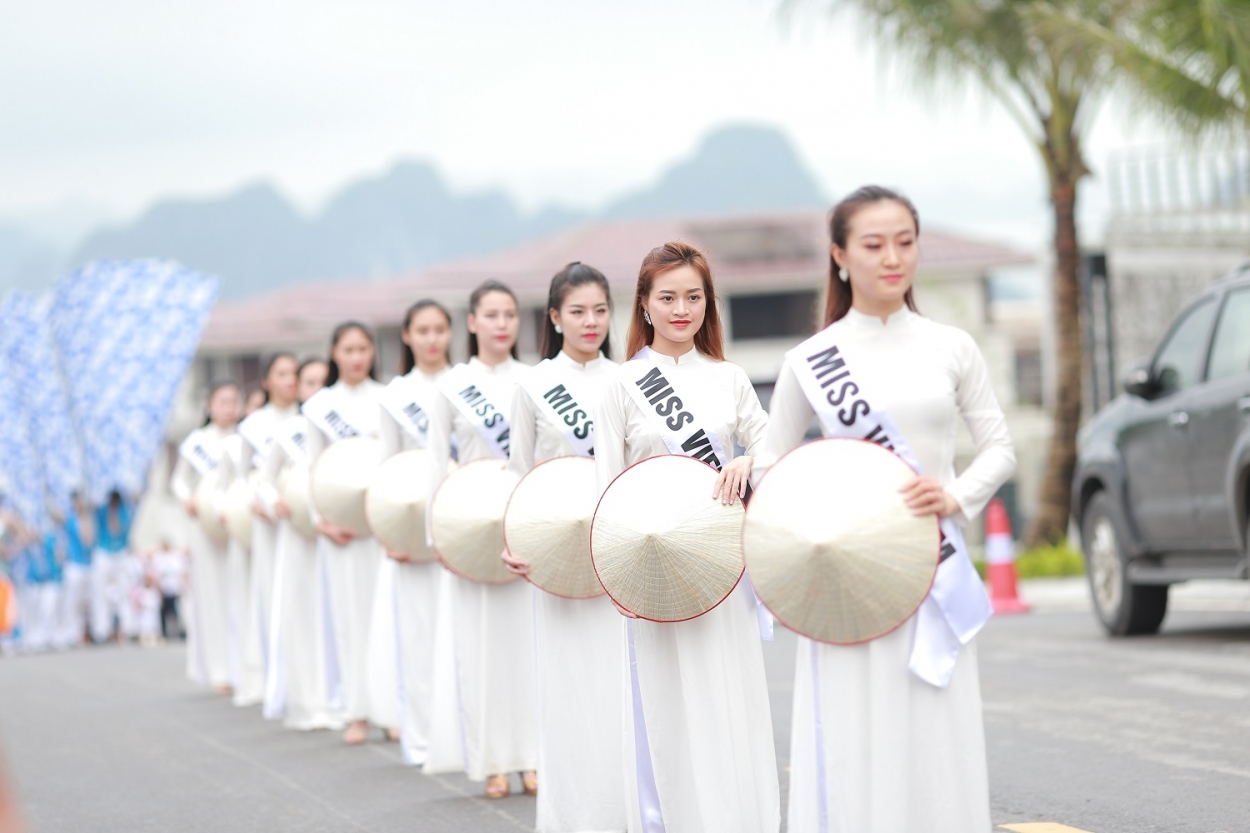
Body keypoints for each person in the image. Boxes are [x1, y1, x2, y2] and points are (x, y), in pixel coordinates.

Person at [753, 186, 1016, 833]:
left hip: (934, 565)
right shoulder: (810, 361)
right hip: (847, 575)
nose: (892, 257)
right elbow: (769, 464)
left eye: (905, 240)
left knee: (935, 724)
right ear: (840, 255)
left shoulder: (951, 345)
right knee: (853, 727)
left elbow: (999, 446)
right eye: (873, 244)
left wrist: (956, 495)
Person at [593, 241, 779, 833]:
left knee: (730, 696)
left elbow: (775, 447)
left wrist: (750, 462)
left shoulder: (729, 378)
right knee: (665, 701)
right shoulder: (622, 384)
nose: (682, 309)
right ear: (644, 305)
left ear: (708, 304)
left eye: (693, 297)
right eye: (667, 297)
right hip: (651, 568)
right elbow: (606, 490)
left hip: (723, 564)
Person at [502, 263, 626, 831]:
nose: (591, 322)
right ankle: (573, 813)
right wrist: (515, 541)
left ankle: (624, 804)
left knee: (620, 681)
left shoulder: (627, 379)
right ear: (554, 317)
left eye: (600, 310)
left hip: (619, 550)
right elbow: (518, 473)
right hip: (556, 552)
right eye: (577, 311)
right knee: (566, 684)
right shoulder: (531, 384)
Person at [425, 280, 536, 798]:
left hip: (521, 526)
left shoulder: (536, 380)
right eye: (490, 314)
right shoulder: (450, 385)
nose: (501, 323)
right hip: (468, 527)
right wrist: (437, 535)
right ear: (471, 322)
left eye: (509, 314)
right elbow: (434, 467)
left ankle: (534, 757)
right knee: (481, 646)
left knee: (527, 644)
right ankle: (492, 760)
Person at [377, 300, 453, 766]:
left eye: (439, 329)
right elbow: (388, 470)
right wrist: (397, 535)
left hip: (466, 523)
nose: (431, 339)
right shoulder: (395, 395)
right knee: (421, 637)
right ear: (406, 335)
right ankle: (424, 737)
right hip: (411, 531)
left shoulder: (465, 384)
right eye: (422, 330)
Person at [304, 323, 387, 745]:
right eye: (348, 349)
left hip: (379, 526)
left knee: (383, 617)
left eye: (363, 348)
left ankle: (391, 709)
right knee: (349, 620)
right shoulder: (320, 406)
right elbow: (311, 467)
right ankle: (356, 712)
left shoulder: (388, 398)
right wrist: (322, 519)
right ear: (334, 353)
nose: (356, 357)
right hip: (342, 530)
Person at [257, 357, 341, 730]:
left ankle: (341, 699)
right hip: (298, 539)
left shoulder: (342, 426)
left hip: (338, 535)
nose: (316, 390)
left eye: (323, 382)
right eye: (308, 383)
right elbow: (264, 481)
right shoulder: (289, 430)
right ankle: (309, 701)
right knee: (303, 618)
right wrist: (274, 504)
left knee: (334, 617)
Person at [222, 353, 301, 707]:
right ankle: (267, 677)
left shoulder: (308, 418)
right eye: (282, 374)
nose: (291, 380)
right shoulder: (254, 424)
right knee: (269, 594)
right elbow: (242, 477)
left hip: (301, 518)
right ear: (266, 381)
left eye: (295, 373)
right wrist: (257, 502)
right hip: (268, 520)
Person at [171, 381, 241, 693]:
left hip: (236, 525)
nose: (229, 408)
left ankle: (243, 666)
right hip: (205, 528)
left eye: (234, 402)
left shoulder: (243, 439)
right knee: (212, 594)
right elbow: (179, 481)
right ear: (209, 405)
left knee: (238, 593)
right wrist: (188, 499)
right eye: (223, 401)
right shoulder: (197, 442)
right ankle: (219, 670)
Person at [89, 491, 135, 644]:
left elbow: (123, 529)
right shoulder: (101, 510)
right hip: (104, 551)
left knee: (124, 591)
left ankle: (127, 628)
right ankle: (102, 630)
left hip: (120, 552)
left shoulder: (125, 511)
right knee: (100, 593)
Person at [58, 494, 95, 647]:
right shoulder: (69, 519)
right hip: (73, 565)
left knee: (85, 602)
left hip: (86, 564)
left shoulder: (88, 519)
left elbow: (88, 538)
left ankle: (83, 634)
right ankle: (70, 634)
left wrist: (85, 517)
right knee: (71, 602)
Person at [149, 539, 188, 640]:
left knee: (175, 612)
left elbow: (181, 573)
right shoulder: (158, 558)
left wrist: (181, 586)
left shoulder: (175, 557)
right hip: (163, 589)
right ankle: (164, 632)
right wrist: (158, 588)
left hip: (173, 589)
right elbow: (155, 574)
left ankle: (178, 632)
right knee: (163, 612)